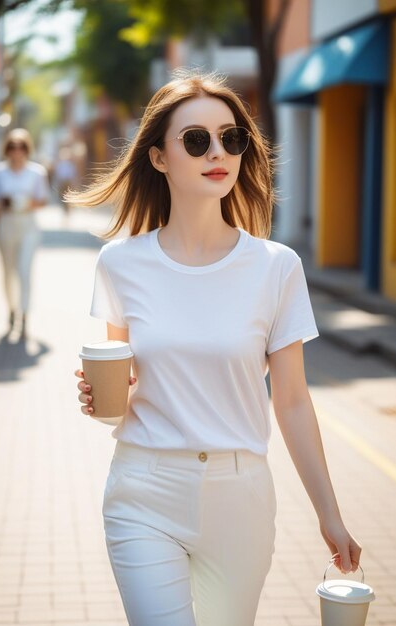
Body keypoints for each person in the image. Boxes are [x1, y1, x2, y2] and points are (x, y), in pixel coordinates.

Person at [72, 71, 361, 626]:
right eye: (197, 140)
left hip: (241, 499)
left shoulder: (277, 267)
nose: (219, 153)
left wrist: (331, 515)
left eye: (231, 138)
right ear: (159, 158)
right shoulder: (120, 265)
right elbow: (125, 387)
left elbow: (294, 401)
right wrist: (100, 398)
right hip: (144, 490)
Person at [0, 128, 50, 338]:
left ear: (27, 148)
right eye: (13, 146)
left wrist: (25, 203)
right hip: (6, 225)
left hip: (28, 226)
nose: (17, 150)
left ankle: (24, 316)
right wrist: (2, 203)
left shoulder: (37, 172)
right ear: (7, 148)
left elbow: (43, 200)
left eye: (21, 146)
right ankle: (12, 309)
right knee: (8, 273)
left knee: (24, 271)